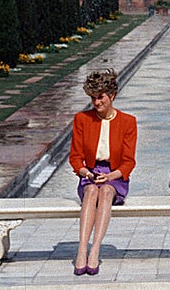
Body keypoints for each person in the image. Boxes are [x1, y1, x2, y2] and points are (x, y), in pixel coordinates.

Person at [69, 69, 137, 276]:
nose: (96, 103)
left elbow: (128, 162)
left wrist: (110, 176)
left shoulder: (128, 122)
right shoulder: (81, 119)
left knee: (106, 192)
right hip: (89, 173)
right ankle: (82, 249)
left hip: (114, 175)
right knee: (91, 192)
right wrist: (87, 174)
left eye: (100, 98)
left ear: (112, 96)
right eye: (93, 98)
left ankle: (95, 249)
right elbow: (75, 158)